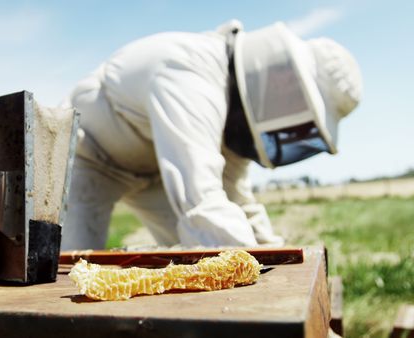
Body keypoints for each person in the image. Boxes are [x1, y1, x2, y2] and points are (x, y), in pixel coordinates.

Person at [60, 20, 362, 250]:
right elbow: (201, 201)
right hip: (88, 159)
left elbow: (237, 198)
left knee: (194, 265)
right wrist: (259, 288)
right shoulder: (190, 72)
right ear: (283, 78)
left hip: (157, 173)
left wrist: (276, 255)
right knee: (68, 272)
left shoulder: (237, 114)